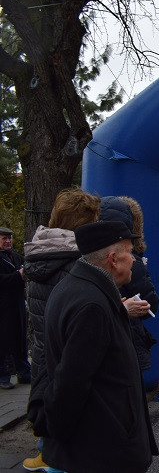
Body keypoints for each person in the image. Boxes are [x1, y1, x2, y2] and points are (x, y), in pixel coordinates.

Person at [40, 220, 158, 472]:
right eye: (129, 252)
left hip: (97, 445)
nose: (135, 259)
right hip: (101, 451)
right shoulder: (92, 305)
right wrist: (60, 437)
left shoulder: (79, 288)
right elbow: (70, 383)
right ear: (113, 259)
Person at [23, 188, 101, 472]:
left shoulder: (41, 248)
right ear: (85, 223)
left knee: (49, 402)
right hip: (66, 351)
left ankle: (47, 454)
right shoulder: (76, 260)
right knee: (68, 409)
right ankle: (54, 458)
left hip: (43, 347)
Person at [101, 196, 159, 372]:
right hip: (126, 344)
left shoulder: (85, 260)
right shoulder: (132, 260)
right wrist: (124, 310)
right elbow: (151, 303)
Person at [0, 226, 29, 390]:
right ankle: (3, 375)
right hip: (3, 307)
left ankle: (23, 371)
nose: (8, 241)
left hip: (16, 304)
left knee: (20, 339)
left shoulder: (16, 257)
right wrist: (18, 276)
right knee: (4, 341)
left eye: (9, 238)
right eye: (4, 238)